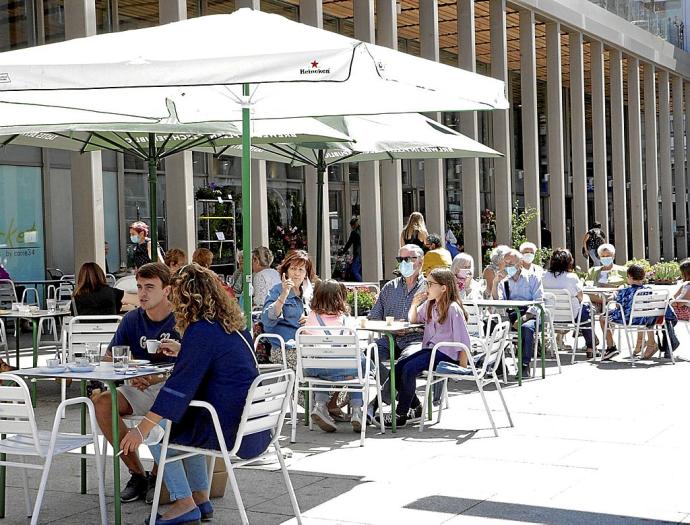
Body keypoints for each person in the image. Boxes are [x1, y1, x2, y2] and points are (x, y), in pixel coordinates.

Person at [121, 263, 270, 525]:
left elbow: (178, 388)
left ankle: (184, 501)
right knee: (180, 424)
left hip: (226, 428)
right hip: (253, 425)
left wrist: (141, 430)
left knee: (158, 432)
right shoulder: (232, 326)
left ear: (187, 299)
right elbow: (216, 364)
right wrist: (184, 350)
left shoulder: (200, 331)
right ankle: (201, 497)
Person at [93, 263, 180, 504]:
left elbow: (192, 366)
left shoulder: (182, 320)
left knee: (170, 402)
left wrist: (157, 377)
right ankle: (137, 473)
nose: (142, 293)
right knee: (101, 403)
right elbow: (109, 358)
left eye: (150, 287)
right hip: (138, 387)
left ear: (167, 290)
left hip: (171, 389)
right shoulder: (131, 319)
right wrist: (131, 372)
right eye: (140, 286)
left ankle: (157, 475)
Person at [379, 268, 470, 428]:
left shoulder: (453, 308)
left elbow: (463, 340)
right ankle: (415, 406)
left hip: (445, 353)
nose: (427, 287)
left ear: (443, 288)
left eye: (430, 284)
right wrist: (414, 304)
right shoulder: (430, 304)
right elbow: (414, 320)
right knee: (398, 368)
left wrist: (463, 366)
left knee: (409, 369)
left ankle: (401, 414)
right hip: (431, 351)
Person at [302, 279, 366, 433]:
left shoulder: (311, 317)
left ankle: (320, 405)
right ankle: (357, 410)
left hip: (314, 369)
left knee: (324, 366)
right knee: (358, 366)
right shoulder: (346, 320)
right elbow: (354, 341)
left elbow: (306, 334)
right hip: (343, 369)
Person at [368, 245, 425, 385]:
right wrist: (391, 327)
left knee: (406, 363)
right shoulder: (389, 287)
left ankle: (383, 399)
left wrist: (410, 328)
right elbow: (373, 318)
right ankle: (406, 399)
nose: (404, 263)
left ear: (421, 261)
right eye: (400, 259)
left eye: (408, 259)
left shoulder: (429, 287)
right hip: (390, 339)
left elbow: (437, 321)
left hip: (417, 340)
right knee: (365, 357)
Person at [261, 250, 316, 369]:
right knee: (323, 364)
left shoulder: (309, 293)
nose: (296, 273)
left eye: (301, 270)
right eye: (293, 269)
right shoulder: (277, 290)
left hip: (308, 346)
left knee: (338, 357)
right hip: (285, 349)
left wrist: (310, 321)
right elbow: (267, 319)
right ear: (286, 270)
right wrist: (284, 294)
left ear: (306, 274)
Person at [494, 249, 544, 377]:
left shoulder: (533, 278)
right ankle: (498, 365)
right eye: (506, 263)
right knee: (492, 325)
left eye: (511, 263)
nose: (508, 266)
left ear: (520, 263)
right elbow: (498, 302)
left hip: (530, 314)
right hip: (512, 313)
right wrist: (495, 283)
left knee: (526, 328)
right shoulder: (504, 281)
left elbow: (538, 301)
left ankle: (524, 365)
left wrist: (524, 317)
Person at [542, 249, 596, 359]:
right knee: (587, 311)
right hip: (572, 315)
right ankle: (591, 346)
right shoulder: (572, 277)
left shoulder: (543, 276)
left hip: (550, 315)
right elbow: (580, 297)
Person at [601, 264, 658, 361]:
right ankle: (647, 343)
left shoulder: (624, 291)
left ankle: (611, 347)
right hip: (645, 320)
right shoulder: (649, 290)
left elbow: (618, 306)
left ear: (631, 277)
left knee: (602, 318)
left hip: (628, 319)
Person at [584, 244, 627, 312]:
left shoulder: (624, 271)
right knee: (589, 310)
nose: (605, 258)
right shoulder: (592, 271)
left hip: (614, 300)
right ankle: (603, 300)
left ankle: (605, 300)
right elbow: (586, 286)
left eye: (608, 256)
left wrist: (615, 287)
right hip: (595, 300)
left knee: (611, 307)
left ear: (613, 256)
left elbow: (629, 285)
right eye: (603, 256)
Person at [340, 217, 362, 282]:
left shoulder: (354, 233)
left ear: (353, 225)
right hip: (362, 254)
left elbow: (349, 243)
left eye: (352, 226)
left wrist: (343, 252)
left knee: (354, 270)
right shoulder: (361, 231)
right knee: (359, 270)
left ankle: (362, 283)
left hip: (357, 254)